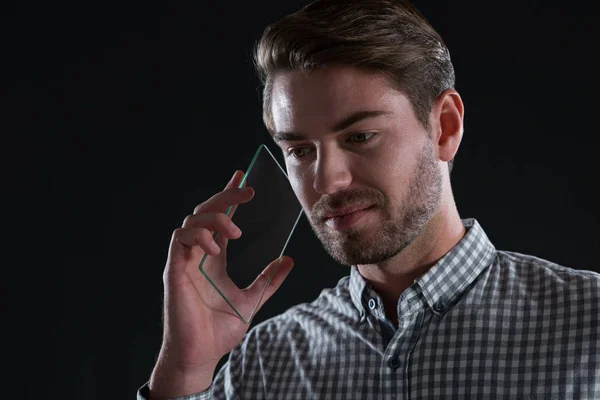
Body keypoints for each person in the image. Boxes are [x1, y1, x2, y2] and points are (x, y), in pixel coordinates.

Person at [138, 0, 600, 398]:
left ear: (445, 128)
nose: (328, 181)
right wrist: (185, 370)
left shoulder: (590, 329)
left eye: (359, 136)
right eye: (299, 150)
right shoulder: (264, 364)